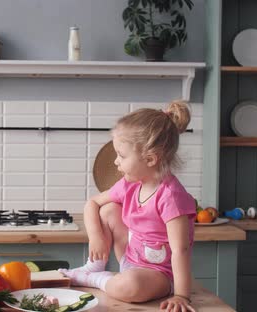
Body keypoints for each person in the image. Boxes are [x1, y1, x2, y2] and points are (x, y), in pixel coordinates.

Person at [59, 100, 196, 312]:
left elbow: (180, 250)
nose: (116, 162)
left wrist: (181, 295)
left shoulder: (171, 196)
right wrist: (96, 237)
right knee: (108, 209)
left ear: (150, 159)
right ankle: (93, 267)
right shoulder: (130, 185)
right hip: (130, 261)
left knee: (130, 287)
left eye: (121, 156)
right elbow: (92, 203)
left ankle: (93, 279)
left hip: (158, 274)